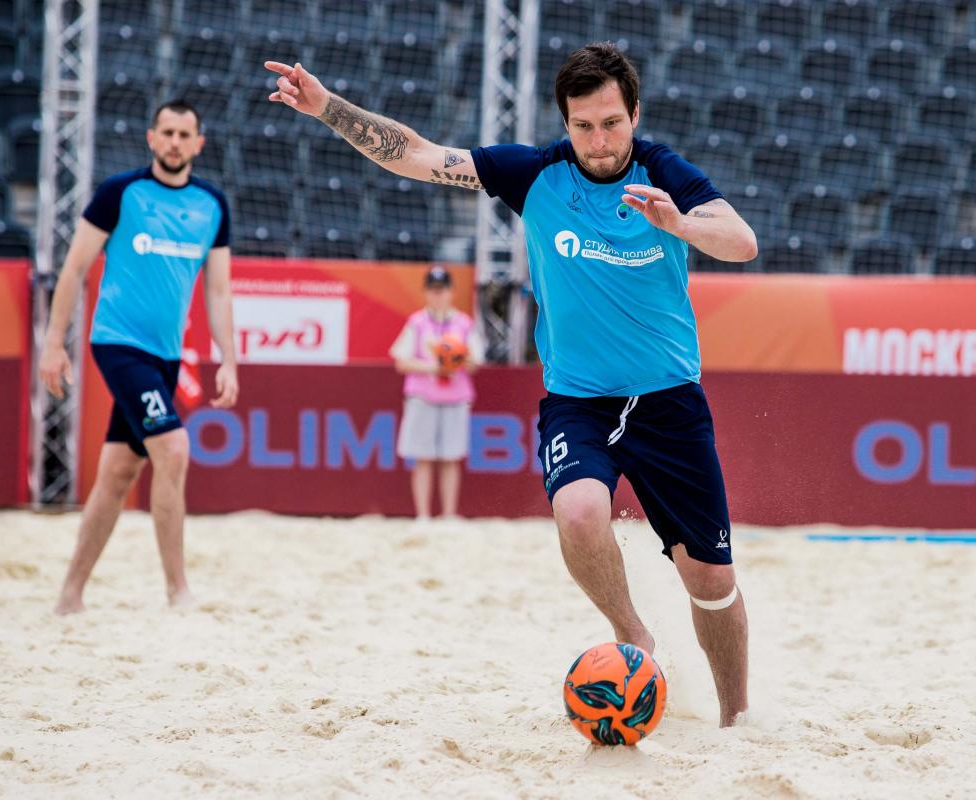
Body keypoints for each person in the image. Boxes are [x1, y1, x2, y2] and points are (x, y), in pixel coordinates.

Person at [264, 42, 757, 725]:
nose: (599, 140)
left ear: (635, 114)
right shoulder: (535, 174)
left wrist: (679, 222)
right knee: (578, 512)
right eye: (583, 126)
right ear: (565, 122)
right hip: (579, 401)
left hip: (669, 400)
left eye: (611, 123)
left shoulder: (663, 172)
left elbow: (741, 240)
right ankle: (632, 635)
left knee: (711, 581)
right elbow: (416, 155)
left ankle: (736, 717)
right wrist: (327, 108)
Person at [39, 99, 238, 615]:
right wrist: (54, 342)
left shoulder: (212, 205)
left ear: (199, 144)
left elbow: (218, 291)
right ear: (151, 138)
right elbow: (74, 268)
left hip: (165, 355)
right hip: (118, 342)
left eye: (184, 134)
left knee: (118, 473)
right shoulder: (120, 193)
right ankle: (178, 592)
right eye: (166, 132)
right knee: (173, 448)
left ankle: (70, 596)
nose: (174, 142)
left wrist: (229, 360)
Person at [389, 265, 485, 520]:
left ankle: (449, 513)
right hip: (423, 396)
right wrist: (435, 366)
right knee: (423, 457)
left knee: (450, 457)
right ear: (426, 292)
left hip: (455, 397)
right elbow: (401, 361)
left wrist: (455, 359)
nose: (438, 295)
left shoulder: (464, 324)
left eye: (442, 290)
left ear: (451, 292)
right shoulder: (417, 322)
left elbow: (475, 362)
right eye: (433, 290)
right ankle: (422, 514)